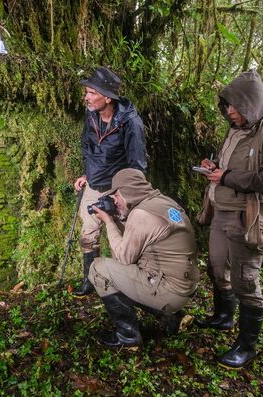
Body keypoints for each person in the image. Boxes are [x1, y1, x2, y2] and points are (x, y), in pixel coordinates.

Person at [195, 70, 263, 369]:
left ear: (251, 104)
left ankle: (246, 345)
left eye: (235, 106)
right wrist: (214, 167)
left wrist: (228, 176)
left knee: (245, 280)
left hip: (248, 217)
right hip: (220, 211)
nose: (229, 111)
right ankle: (223, 316)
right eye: (227, 106)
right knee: (216, 267)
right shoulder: (233, 130)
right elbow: (227, 168)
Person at [87, 168, 199, 347]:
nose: (115, 201)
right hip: (184, 286)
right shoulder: (163, 202)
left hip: (169, 291)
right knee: (124, 274)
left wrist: (109, 222)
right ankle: (172, 316)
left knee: (98, 269)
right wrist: (119, 218)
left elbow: (123, 259)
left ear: (127, 192)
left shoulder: (141, 214)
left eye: (116, 196)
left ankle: (128, 336)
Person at [72, 67, 147, 297]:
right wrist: (87, 173)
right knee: (88, 233)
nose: (86, 97)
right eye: (86, 92)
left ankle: (126, 283)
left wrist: (126, 196)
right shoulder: (91, 115)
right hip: (94, 184)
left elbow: (137, 165)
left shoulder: (131, 123)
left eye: (91, 93)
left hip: (118, 188)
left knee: (123, 238)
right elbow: (87, 147)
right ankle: (90, 279)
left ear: (107, 97)